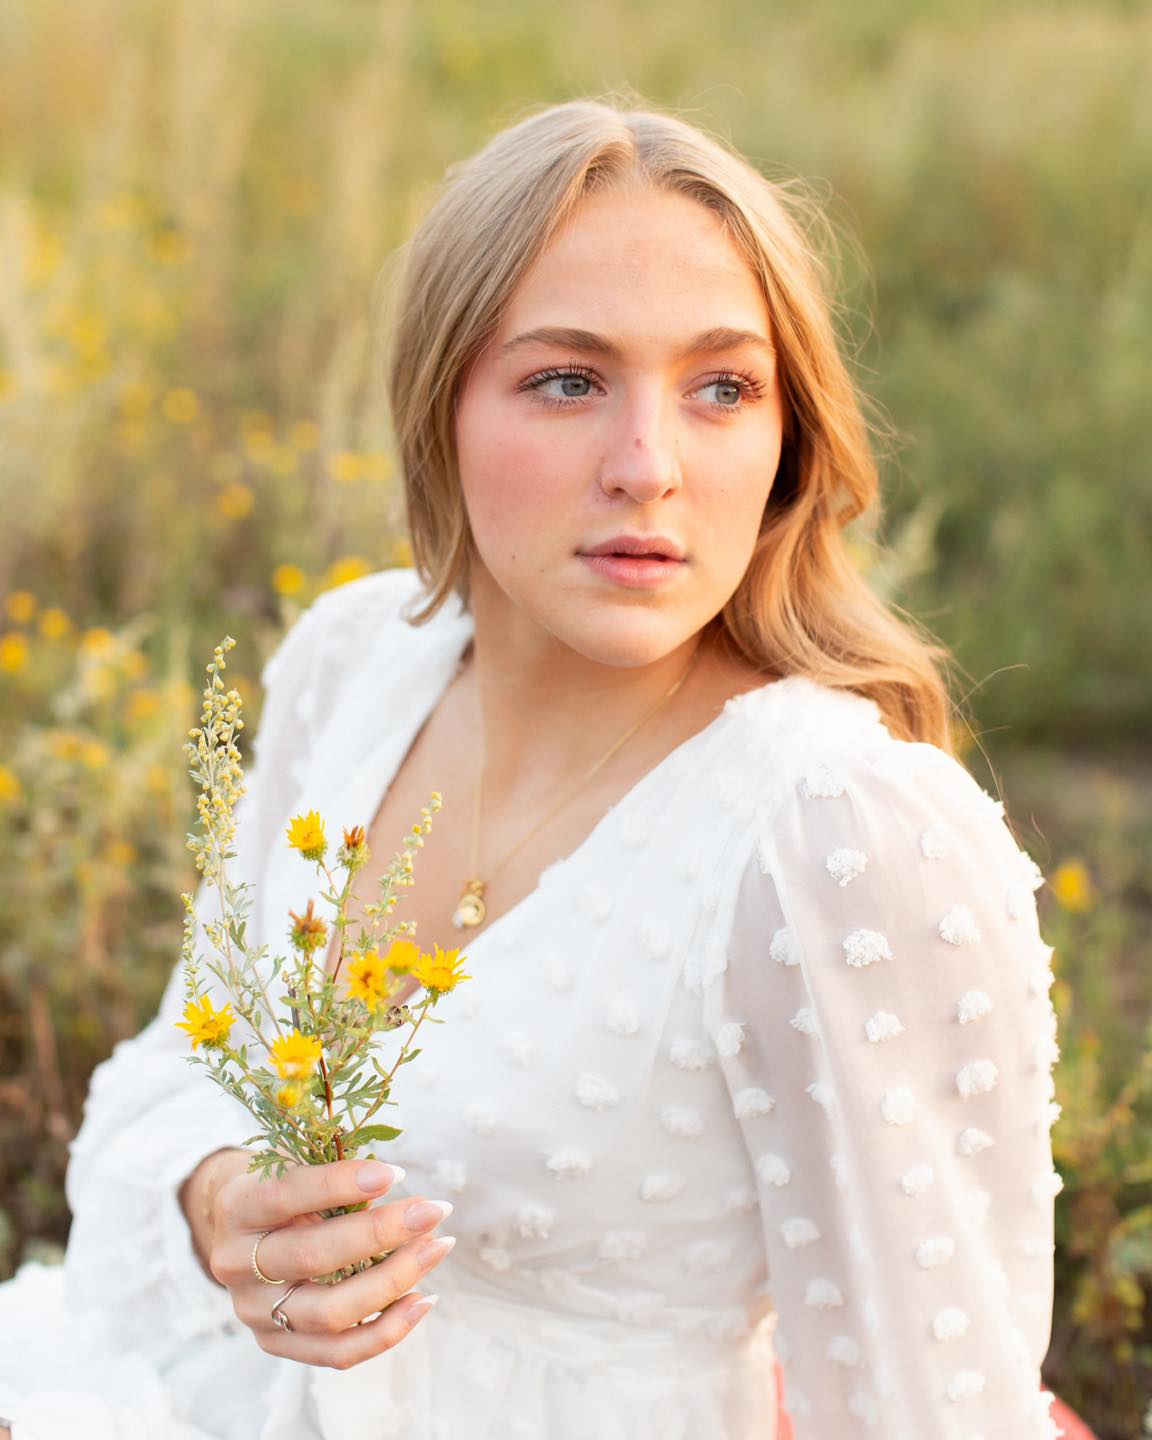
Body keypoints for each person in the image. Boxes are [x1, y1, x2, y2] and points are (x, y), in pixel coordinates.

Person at [0, 93, 1065, 1440]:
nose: (647, 467)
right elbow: (173, 1067)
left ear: (789, 439)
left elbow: (933, 1411)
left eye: (722, 388)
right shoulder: (357, 663)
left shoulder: (841, 833)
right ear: (438, 406)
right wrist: (221, 1203)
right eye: (568, 379)